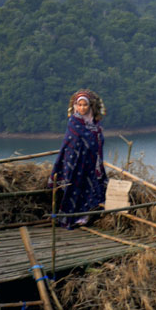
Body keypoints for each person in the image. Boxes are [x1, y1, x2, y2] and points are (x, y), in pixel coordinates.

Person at [50, 89, 108, 228]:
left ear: (90, 106)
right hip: (74, 163)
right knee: (73, 188)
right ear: (75, 106)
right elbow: (70, 143)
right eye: (80, 105)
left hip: (90, 163)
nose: (82, 108)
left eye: (85, 105)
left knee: (89, 188)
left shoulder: (95, 123)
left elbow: (97, 141)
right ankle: (70, 218)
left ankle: (85, 216)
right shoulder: (74, 122)